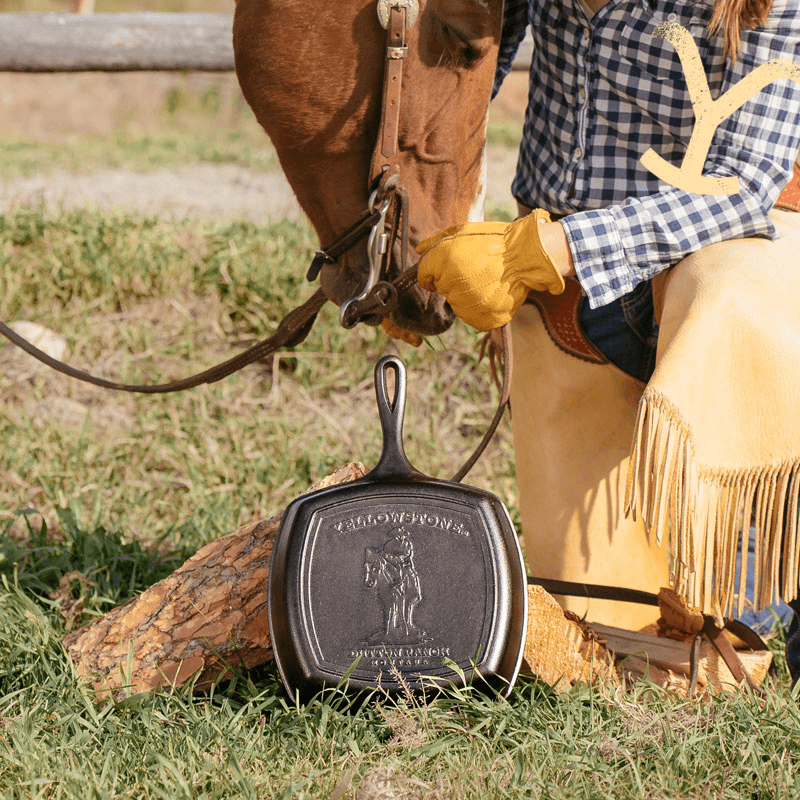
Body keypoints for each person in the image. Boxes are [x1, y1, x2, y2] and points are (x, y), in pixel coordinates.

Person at [417, 0, 800, 677]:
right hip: (571, 288)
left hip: (729, 249)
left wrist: (552, 249)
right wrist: (408, 244)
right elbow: (455, 66)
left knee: (727, 303)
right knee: (594, 641)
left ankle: (760, 578)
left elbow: (744, 187)